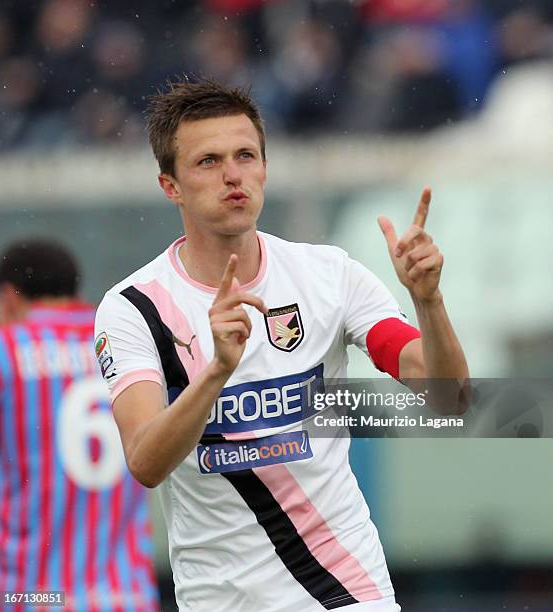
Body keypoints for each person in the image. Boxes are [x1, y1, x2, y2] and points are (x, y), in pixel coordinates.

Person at [95, 79, 468, 612]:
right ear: (170, 186)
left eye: (246, 155)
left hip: (347, 592)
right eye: (208, 162)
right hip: (222, 600)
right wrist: (217, 372)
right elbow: (145, 461)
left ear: (265, 167)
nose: (232, 175)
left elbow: (450, 398)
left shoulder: (328, 275)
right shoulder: (134, 307)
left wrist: (429, 301)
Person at [0, 239, 159, 612]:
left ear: (8, 297)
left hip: (30, 598)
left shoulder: (4, 351)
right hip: (128, 596)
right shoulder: (126, 343)